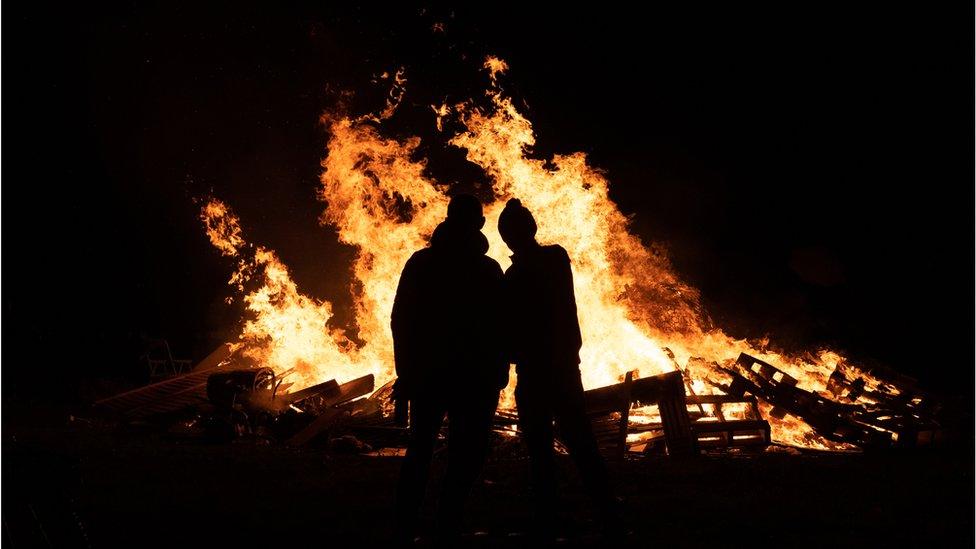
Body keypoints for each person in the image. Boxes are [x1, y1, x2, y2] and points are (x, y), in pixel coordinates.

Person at [497, 198, 619, 540]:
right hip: (566, 368)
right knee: (582, 443)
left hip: (535, 373)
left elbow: (508, 328)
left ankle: (549, 519)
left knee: (540, 450)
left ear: (507, 239)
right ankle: (608, 514)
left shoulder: (517, 274)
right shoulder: (556, 258)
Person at [391, 194, 508, 545]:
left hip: (431, 375)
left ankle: (406, 525)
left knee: (421, 449)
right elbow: (500, 326)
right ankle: (447, 523)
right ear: (479, 225)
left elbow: (401, 320)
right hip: (473, 379)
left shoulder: (421, 263)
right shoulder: (487, 270)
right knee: (465, 454)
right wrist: (499, 370)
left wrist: (407, 372)